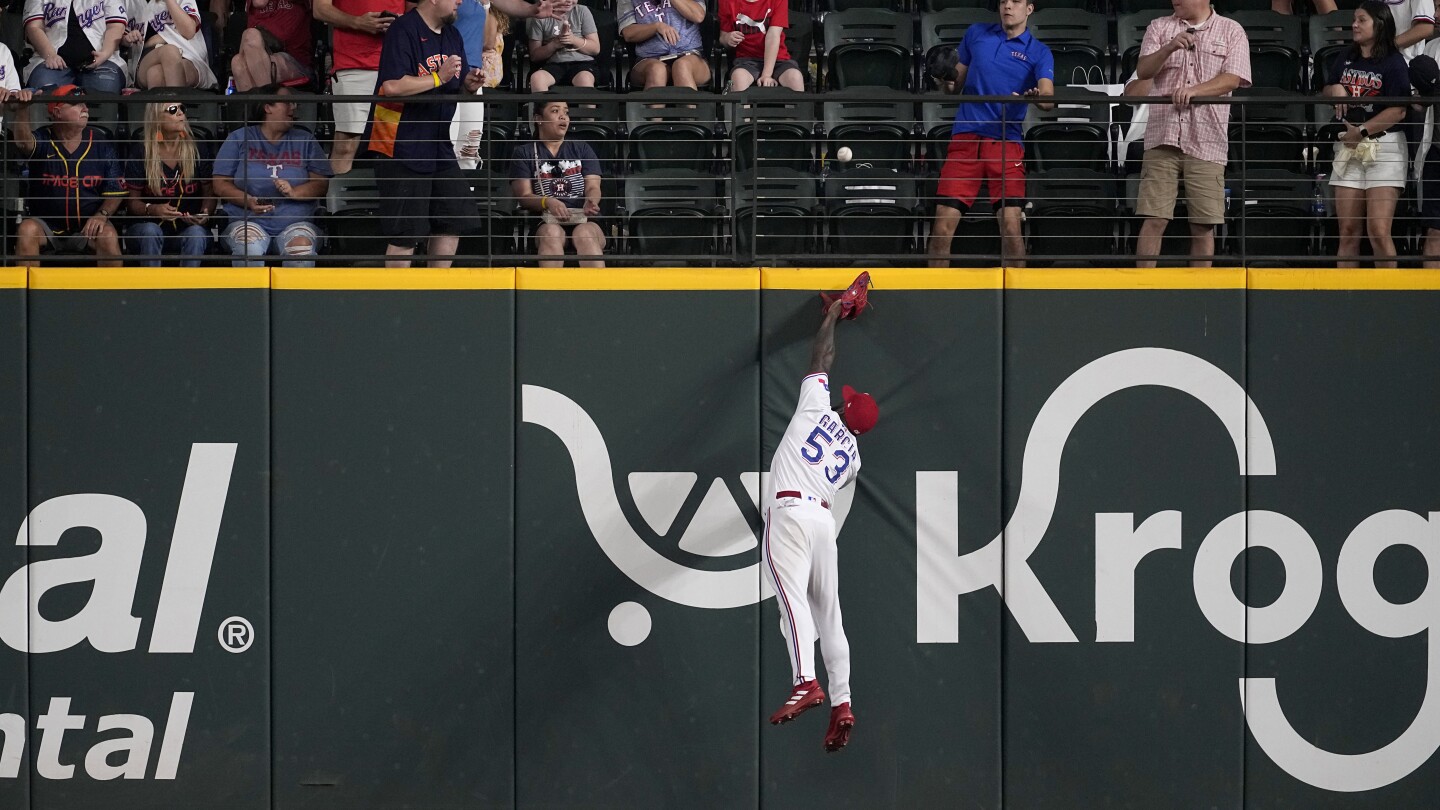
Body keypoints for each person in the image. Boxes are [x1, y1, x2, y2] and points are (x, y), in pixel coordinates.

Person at [763, 295, 878, 755]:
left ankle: (806, 682)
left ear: (842, 409)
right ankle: (842, 702)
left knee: (790, 599)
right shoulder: (854, 457)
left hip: (791, 513)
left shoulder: (816, 410)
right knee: (830, 615)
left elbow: (821, 358)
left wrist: (833, 315)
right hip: (822, 523)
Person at [926, 0, 1053, 268]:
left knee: (1011, 227)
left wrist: (1035, 96)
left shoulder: (1039, 52)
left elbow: (1048, 99)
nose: (1007, 6)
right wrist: (943, 79)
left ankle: (1020, 302)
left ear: (1029, 9)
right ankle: (936, 300)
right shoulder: (976, 33)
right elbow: (953, 87)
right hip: (965, 140)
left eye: (1015, 1)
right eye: (1003, 1)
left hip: (1006, 144)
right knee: (941, 229)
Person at [1133, 0, 1250, 268]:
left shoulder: (1231, 30)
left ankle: (1201, 297)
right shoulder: (1159, 27)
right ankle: (1141, 291)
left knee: (1203, 225)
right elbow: (1143, 71)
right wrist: (1169, 47)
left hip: (1207, 138)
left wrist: (1195, 90)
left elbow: (1233, 78)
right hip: (1163, 136)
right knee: (1154, 219)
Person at [1323, 1, 1410, 268]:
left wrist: (1362, 131)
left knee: (1378, 231)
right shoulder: (1346, 57)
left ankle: (1387, 298)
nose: (1354, 25)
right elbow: (1326, 90)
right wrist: (1334, 90)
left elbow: (1399, 111)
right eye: (1354, 20)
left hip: (1384, 147)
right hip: (1348, 147)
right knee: (1348, 231)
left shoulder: (1394, 62)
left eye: (1361, 20)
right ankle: (1346, 300)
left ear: (1379, 24)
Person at [212, 86, 332, 266]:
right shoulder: (238, 138)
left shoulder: (306, 140)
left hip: (297, 222)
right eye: (287, 103)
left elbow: (321, 184)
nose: (294, 107)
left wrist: (294, 192)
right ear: (267, 107)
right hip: (246, 220)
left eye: (294, 103)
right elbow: (220, 184)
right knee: (248, 247)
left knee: (300, 249)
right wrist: (248, 201)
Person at [10, 85, 126, 267]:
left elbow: (116, 189)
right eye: (76, 104)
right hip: (45, 226)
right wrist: (23, 108)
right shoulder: (44, 138)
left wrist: (101, 215)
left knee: (108, 236)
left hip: (87, 227)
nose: (85, 109)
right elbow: (23, 143)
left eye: (85, 104)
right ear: (57, 112)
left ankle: (113, 296)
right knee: (26, 230)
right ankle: (25, 294)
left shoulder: (101, 143)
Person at [509, 99, 605, 267]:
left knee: (585, 234)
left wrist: (592, 200)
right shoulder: (524, 152)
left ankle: (596, 291)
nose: (563, 116)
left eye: (566, 112)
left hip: (585, 219)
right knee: (551, 233)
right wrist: (548, 202)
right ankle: (550, 293)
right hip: (545, 221)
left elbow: (593, 186)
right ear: (538, 118)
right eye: (555, 111)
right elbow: (524, 196)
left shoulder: (582, 148)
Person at [314, 0, 402, 174]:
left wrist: (401, 22)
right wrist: (358, 22)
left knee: (396, 143)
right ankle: (332, 200)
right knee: (346, 143)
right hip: (353, 64)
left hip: (397, 65)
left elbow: (416, 8)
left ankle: (391, 200)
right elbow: (319, 9)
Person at [124, 99, 215, 265]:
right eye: (173, 109)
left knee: (196, 234)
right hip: (147, 228)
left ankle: (186, 288)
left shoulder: (197, 149)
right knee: (151, 231)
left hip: (186, 229)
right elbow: (131, 202)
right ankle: (153, 288)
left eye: (182, 108)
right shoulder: (141, 151)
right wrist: (152, 209)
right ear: (156, 118)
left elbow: (209, 193)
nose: (181, 113)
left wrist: (204, 214)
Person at [22, 0, 129, 94]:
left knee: (105, 88)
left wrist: (105, 53)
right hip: (52, 61)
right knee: (44, 87)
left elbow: (115, 26)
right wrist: (50, 55)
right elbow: (34, 27)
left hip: (101, 61)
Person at [214, 0, 315, 91]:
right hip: (259, 54)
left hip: (294, 61)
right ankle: (266, 105)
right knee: (238, 62)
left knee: (248, 46)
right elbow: (260, 2)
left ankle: (264, 105)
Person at [620, 0, 711, 90]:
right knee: (656, 70)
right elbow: (628, 34)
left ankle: (690, 104)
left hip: (690, 55)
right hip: (649, 59)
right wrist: (656, 27)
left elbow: (699, 16)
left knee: (682, 66)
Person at [130, 0, 219, 89]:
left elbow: (188, 31)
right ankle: (175, 102)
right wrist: (130, 37)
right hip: (147, 60)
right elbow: (122, 36)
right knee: (168, 51)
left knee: (155, 73)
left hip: (186, 56)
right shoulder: (135, 3)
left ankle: (167, 102)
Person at [718, 0, 803, 91]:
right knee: (738, 78)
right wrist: (728, 38)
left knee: (795, 77)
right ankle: (742, 106)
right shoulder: (726, 2)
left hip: (778, 59)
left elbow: (773, 36)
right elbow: (722, 37)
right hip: (746, 60)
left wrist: (766, 75)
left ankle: (801, 105)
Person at [527, 0, 600, 92]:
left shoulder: (582, 11)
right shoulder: (540, 17)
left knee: (584, 79)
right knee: (537, 78)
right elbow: (534, 55)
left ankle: (586, 107)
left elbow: (595, 48)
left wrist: (574, 40)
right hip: (554, 64)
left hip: (582, 63)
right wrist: (554, 45)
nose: (569, 1)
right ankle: (546, 106)